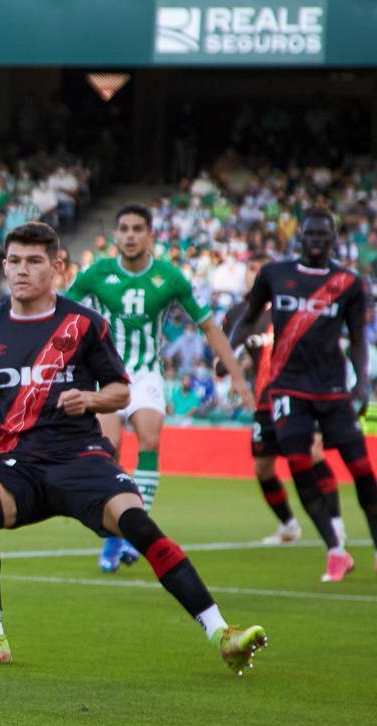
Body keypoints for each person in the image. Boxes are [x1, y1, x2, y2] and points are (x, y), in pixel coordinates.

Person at [0, 222, 266, 675]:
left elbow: (121, 392)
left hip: (82, 456)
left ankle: (223, 633)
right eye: (15, 261)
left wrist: (92, 399)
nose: (22, 271)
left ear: (57, 267)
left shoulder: (82, 324)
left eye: (34, 261)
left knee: (136, 523)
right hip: (18, 463)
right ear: (4, 266)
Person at [66, 203, 254, 572]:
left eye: (138, 228)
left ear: (150, 235)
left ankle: (135, 530)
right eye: (124, 228)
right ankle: (114, 534)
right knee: (109, 449)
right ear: (116, 235)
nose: (131, 235)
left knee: (150, 440)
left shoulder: (170, 277)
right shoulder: (95, 274)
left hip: (147, 374)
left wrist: (235, 374)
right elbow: (59, 315)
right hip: (106, 375)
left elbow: (209, 327)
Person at [235, 208, 377, 581]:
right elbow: (247, 315)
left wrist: (361, 383)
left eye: (322, 235)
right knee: (298, 463)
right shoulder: (274, 274)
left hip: (332, 388)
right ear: (299, 237)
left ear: (333, 239)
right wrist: (230, 357)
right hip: (287, 387)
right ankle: (335, 549)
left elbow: (359, 340)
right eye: (309, 234)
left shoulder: (349, 283)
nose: (315, 241)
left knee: (361, 467)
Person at [220, 288, 343, 546]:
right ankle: (288, 525)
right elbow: (228, 358)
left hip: (298, 395)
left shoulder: (298, 309)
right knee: (263, 467)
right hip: (264, 401)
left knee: (312, 453)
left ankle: (335, 523)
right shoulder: (242, 315)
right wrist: (236, 373)